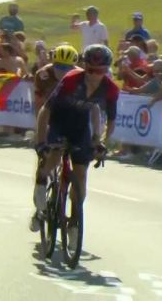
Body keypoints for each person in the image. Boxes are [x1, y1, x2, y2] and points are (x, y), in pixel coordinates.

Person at [30, 44, 119, 240]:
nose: (95, 75)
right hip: (59, 121)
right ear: (84, 66)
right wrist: (41, 140)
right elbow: (45, 110)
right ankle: (41, 181)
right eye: (91, 70)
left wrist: (102, 142)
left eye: (101, 71)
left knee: (81, 175)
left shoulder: (110, 89)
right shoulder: (70, 80)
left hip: (80, 126)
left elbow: (110, 120)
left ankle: (74, 221)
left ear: (107, 70)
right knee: (53, 158)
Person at [33, 44, 80, 111]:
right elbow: (38, 103)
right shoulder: (42, 74)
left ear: (74, 67)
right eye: (59, 66)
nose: (63, 71)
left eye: (68, 67)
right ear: (53, 64)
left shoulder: (81, 75)